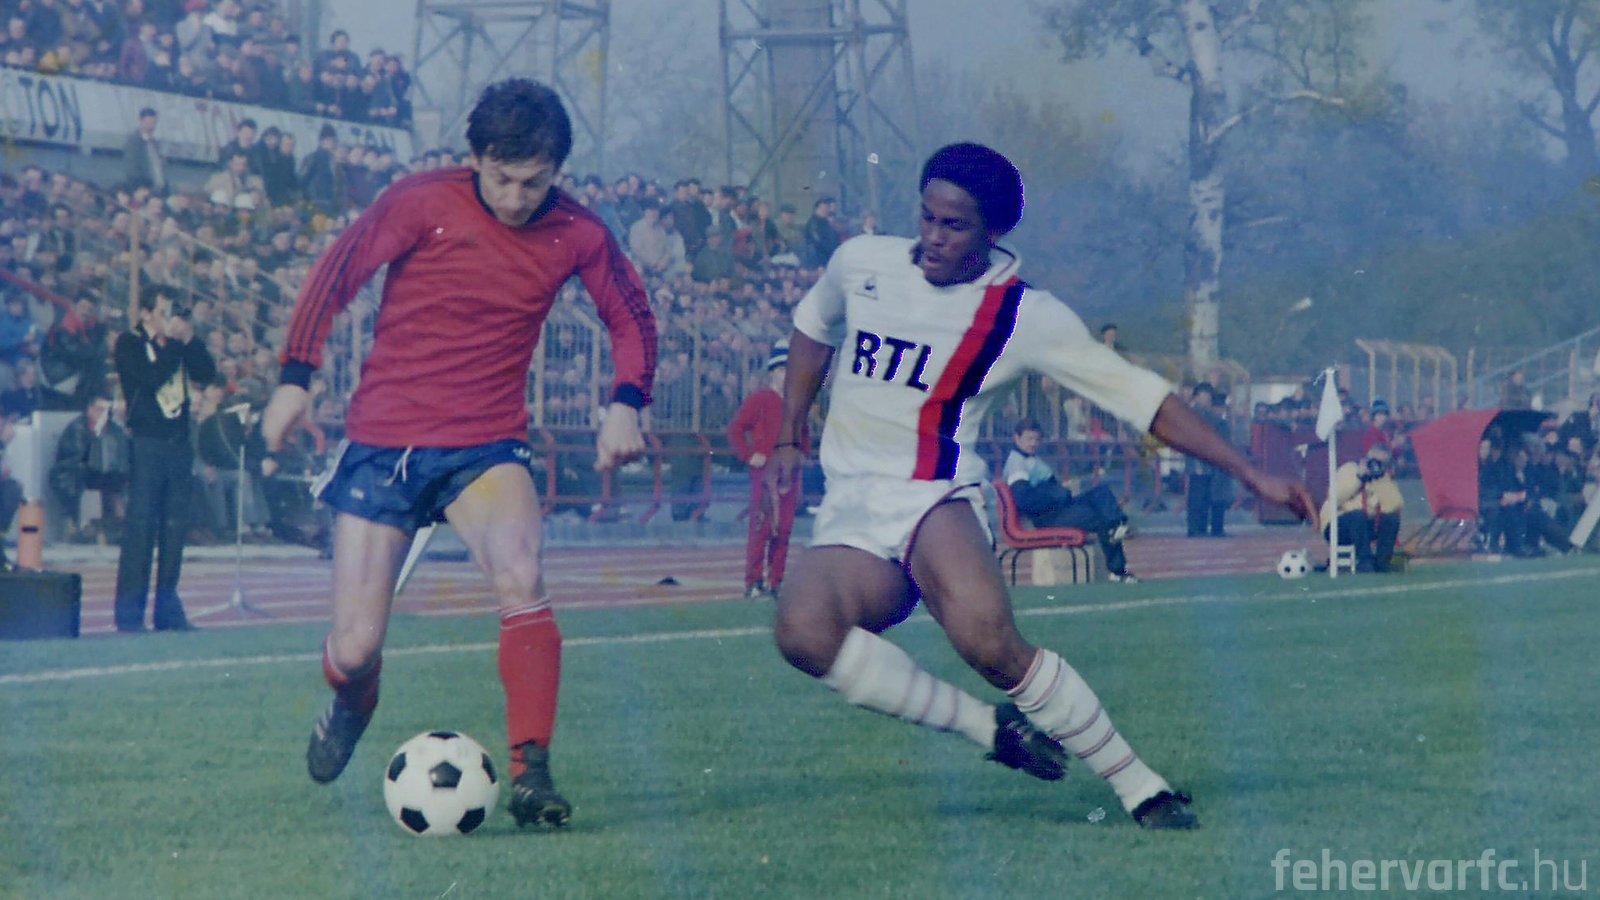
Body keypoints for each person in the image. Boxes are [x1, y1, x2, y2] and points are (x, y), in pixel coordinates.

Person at [765, 142, 1316, 830]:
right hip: (850, 506)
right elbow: (812, 326)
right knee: (802, 631)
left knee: (990, 645)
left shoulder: (1025, 315)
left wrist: (1250, 472)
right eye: (927, 217)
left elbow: (1143, 399)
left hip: (934, 496)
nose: (932, 237)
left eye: (954, 225)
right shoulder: (862, 261)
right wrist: (788, 432)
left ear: (993, 232)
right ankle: (988, 729)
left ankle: (1142, 788)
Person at [260, 78, 657, 830]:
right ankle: (353, 698)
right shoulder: (421, 201)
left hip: (485, 441)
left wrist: (626, 402)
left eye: (533, 182)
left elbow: (631, 318)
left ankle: (532, 774)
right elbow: (336, 273)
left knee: (522, 573)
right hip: (384, 441)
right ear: (475, 157)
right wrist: (294, 380)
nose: (516, 197)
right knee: (354, 647)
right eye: (501, 178)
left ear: (557, 169)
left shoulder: (579, 231)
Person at [113, 290, 215, 632]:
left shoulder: (177, 346)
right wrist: (172, 345)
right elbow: (149, 379)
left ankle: (168, 611)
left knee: (174, 532)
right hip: (147, 444)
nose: (167, 317)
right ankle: (130, 615)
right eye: (162, 311)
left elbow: (206, 372)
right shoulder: (129, 343)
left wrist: (190, 340)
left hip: (178, 444)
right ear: (146, 313)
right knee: (141, 531)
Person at [1002, 419, 1137, 581]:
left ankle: (1118, 526)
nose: (1033, 443)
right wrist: (1059, 494)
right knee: (1100, 517)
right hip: (1047, 518)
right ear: (1017, 438)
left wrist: (1063, 491)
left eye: (1037, 439)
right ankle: (1118, 570)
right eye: (1029, 439)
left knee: (1101, 492)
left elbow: (1050, 490)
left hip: (1059, 508)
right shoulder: (1017, 463)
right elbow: (1025, 500)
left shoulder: (1032, 459)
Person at [726, 341, 809, 599]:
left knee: (784, 529)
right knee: (762, 528)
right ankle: (753, 581)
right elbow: (735, 429)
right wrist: (749, 455)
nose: (787, 375)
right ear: (772, 372)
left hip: (789, 475)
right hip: (765, 474)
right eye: (782, 370)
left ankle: (776, 580)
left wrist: (802, 454)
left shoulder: (796, 402)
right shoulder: (759, 400)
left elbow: (804, 434)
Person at [48, 388, 130, 542]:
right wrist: (97, 437)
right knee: (79, 475)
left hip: (104, 472)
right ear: (90, 409)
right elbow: (77, 456)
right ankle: (78, 525)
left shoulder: (114, 429)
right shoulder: (77, 427)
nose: (103, 414)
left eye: (107, 411)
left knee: (123, 479)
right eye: (100, 409)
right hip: (78, 471)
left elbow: (121, 454)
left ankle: (120, 525)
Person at [1320, 443, 1403, 572]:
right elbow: (1335, 498)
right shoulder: (1348, 469)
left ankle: (1382, 562)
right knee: (1357, 516)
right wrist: (1359, 477)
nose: (1375, 466)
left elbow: (1393, 505)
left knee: (1391, 519)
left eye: (1381, 463)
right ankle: (1365, 562)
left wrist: (1381, 480)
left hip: (1364, 526)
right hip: (1337, 525)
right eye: (1373, 461)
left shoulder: (1383, 477)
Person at [1184, 382, 1232, 537]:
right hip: (1198, 462)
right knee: (1196, 498)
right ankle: (1194, 528)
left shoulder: (1207, 415)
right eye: (1203, 396)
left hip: (1209, 463)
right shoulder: (1191, 414)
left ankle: (1202, 528)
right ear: (1196, 397)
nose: (1206, 399)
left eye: (1208, 396)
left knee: (1205, 498)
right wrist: (1196, 463)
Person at [122, 107, 166, 194]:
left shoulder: (154, 143)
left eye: (154, 122)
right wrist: (140, 187)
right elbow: (131, 166)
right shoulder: (133, 141)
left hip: (155, 184)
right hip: (141, 186)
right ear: (141, 121)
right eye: (149, 122)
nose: (152, 125)